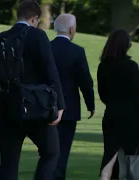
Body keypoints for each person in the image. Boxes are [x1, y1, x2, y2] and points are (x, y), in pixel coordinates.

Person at [0, 1, 65, 180]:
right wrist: (59, 105)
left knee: (9, 162)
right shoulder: (38, 36)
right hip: (34, 107)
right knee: (51, 152)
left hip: (4, 108)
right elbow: (50, 70)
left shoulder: (1, 38)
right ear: (34, 18)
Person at [97, 29, 139, 180]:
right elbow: (137, 96)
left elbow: (102, 94)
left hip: (111, 116)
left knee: (110, 157)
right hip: (132, 120)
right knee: (131, 160)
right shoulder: (131, 67)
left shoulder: (103, 66)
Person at [50, 13, 95, 180]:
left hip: (46, 107)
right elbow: (85, 81)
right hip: (69, 109)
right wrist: (90, 105)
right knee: (63, 151)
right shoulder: (77, 52)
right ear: (71, 29)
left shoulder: (46, 48)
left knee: (48, 151)